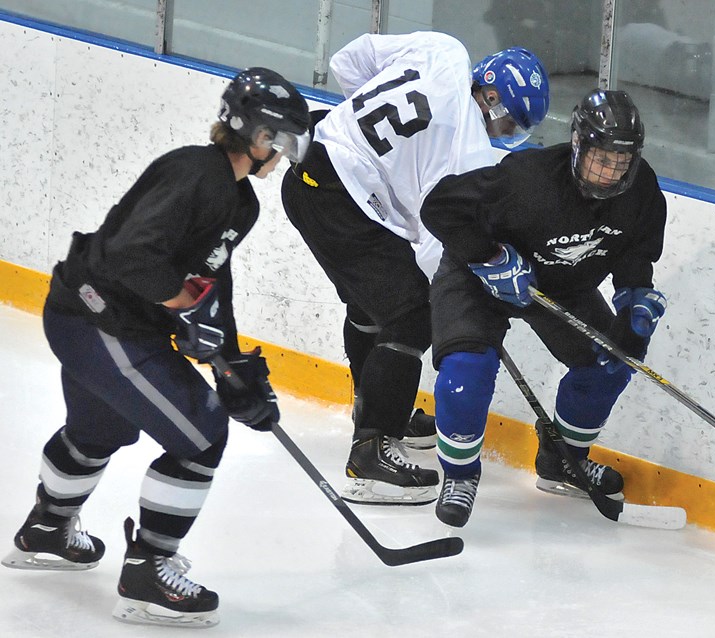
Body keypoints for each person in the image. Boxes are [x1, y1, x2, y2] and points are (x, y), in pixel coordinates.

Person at [1, 68, 310, 627]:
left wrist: (233, 366)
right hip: (99, 320)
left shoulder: (239, 201)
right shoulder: (196, 173)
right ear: (259, 137)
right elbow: (131, 257)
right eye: (282, 140)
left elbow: (212, 283)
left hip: (98, 321)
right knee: (202, 434)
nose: (285, 153)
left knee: (101, 430)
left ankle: (46, 530)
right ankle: (149, 574)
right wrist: (180, 302)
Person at [281, 31, 549, 506]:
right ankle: (372, 452)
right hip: (343, 200)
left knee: (372, 306)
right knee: (411, 314)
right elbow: (435, 241)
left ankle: (377, 411)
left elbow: (349, 59)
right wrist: (471, 280)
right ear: (488, 94)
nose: (503, 134)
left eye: (514, 132)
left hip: (313, 167)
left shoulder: (444, 50)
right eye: (507, 121)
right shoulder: (467, 154)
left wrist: (372, 144)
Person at [421, 89, 668, 527]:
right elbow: (439, 208)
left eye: (621, 162)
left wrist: (635, 299)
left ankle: (563, 461)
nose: (611, 172)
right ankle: (460, 475)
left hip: (558, 286)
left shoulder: (641, 190)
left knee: (608, 363)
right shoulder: (526, 179)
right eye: (601, 158)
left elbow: (634, 253)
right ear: (578, 144)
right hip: (477, 275)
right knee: (467, 368)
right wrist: (489, 256)